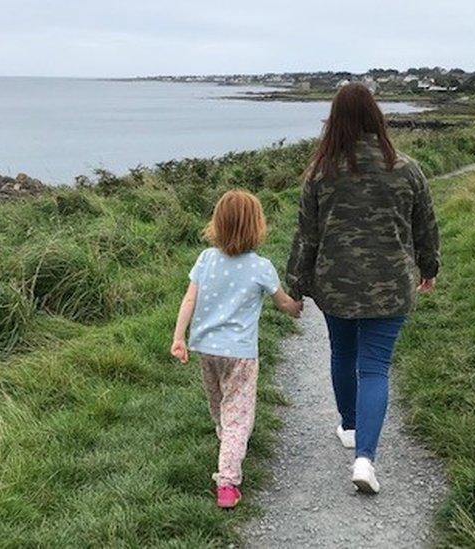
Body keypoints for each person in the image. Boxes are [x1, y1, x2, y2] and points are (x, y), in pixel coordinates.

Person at [285, 83, 440, 494]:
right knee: (375, 367)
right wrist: (429, 267)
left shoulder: (321, 172)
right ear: (376, 118)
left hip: (336, 286)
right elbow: (426, 226)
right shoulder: (407, 169)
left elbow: (307, 238)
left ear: (335, 121)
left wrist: (296, 286)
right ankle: (364, 459)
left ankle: (350, 426)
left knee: (343, 352)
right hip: (391, 287)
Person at [171, 189, 303, 508]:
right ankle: (228, 481)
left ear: (217, 224)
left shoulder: (205, 259)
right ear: (256, 227)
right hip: (240, 354)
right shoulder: (261, 267)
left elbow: (189, 299)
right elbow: (283, 302)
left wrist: (179, 337)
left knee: (218, 403)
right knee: (237, 414)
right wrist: (296, 307)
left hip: (206, 348)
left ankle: (227, 442)